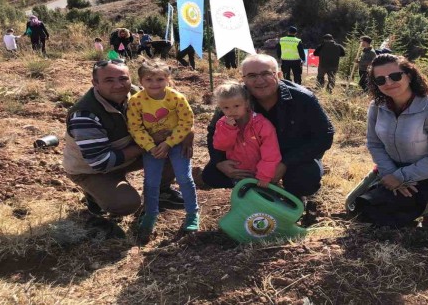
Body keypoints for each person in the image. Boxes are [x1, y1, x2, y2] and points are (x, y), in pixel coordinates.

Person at [62, 59, 191, 235]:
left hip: (128, 153)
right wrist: (149, 143)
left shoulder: (139, 95)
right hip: (93, 170)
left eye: (123, 79)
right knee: (127, 203)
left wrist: (188, 133)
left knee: (175, 149)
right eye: (109, 80)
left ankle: (162, 191)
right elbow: (100, 162)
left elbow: (180, 115)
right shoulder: (85, 115)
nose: (118, 85)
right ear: (95, 83)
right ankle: (94, 198)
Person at [348, 54, 428, 230]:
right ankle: (404, 206)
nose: (388, 83)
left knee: (382, 215)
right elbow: (375, 144)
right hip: (394, 167)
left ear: (409, 75)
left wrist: (400, 177)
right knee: (353, 207)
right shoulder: (376, 107)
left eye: (395, 76)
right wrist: (390, 173)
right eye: (380, 80)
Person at [203, 54, 334, 202]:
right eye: (252, 75)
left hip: (292, 155)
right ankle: (253, 191)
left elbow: (325, 135)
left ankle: (297, 196)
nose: (259, 80)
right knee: (212, 174)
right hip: (251, 155)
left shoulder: (303, 98)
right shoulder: (234, 99)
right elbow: (213, 131)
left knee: (304, 177)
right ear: (243, 79)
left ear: (278, 75)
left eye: (266, 73)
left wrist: (285, 163)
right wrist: (219, 161)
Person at [127, 60, 198, 242]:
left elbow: (186, 122)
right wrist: (151, 147)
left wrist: (169, 143)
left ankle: (192, 213)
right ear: (141, 81)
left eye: (159, 79)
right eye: (149, 79)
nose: (154, 83)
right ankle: (150, 213)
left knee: (184, 177)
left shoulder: (176, 98)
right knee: (151, 180)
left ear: (167, 79)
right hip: (151, 145)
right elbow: (135, 127)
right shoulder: (136, 101)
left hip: (176, 142)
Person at [212, 82, 282, 188]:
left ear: (246, 103)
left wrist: (264, 175)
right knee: (244, 197)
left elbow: (271, 152)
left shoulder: (262, 124)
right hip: (239, 172)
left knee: (263, 198)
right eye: (226, 108)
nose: (232, 111)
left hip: (261, 172)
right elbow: (221, 146)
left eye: (236, 106)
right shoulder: (222, 124)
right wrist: (228, 129)